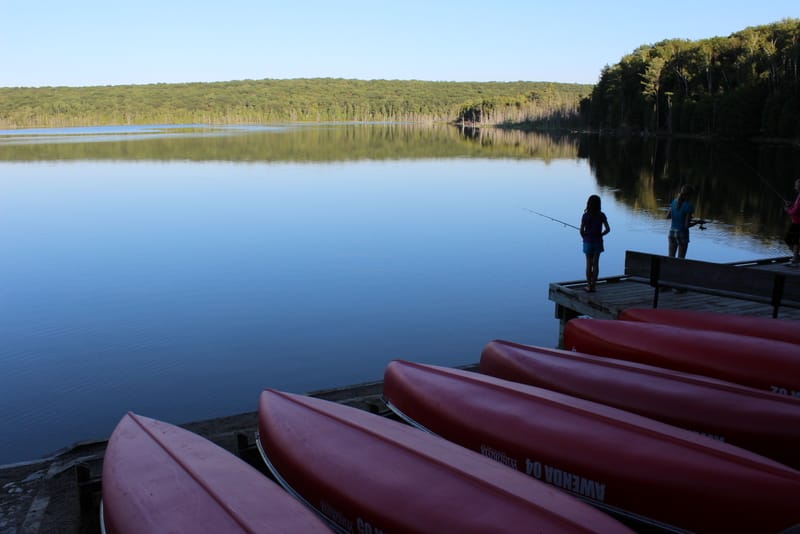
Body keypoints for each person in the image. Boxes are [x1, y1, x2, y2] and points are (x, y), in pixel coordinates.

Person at [580, 194, 610, 292]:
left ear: (588, 204)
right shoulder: (601, 215)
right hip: (598, 242)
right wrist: (601, 235)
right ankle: (594, 286)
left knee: (588, 263)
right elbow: (608, 229)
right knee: (596, 263)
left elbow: (581, 230)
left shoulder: (585, 216)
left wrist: (584, 237)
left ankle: (589, 285)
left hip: (587, 242)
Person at [666, 185, 696, 258]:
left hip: (672, 233)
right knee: (681, 260)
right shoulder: (689, 206)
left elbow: (667, 217)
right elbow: (686, 226)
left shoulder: (674, 202)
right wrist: (696, 223)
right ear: (689, 195)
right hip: (682, 234)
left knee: (670, 258)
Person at [784, 178, 800, 267]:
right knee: (794, 241)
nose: (795, 187)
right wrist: (791, 205)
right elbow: (796, 208)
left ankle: (795, 259)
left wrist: (788, 210)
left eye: (796, 185)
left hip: (798, 223)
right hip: (796, 222)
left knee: (791, 240)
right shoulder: (799, 196)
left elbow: (795, 211)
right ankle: (796, 257)